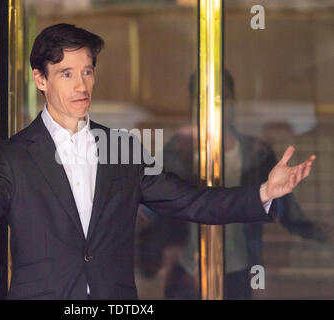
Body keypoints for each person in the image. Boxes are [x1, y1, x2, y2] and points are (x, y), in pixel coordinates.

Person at [0, 23, 316, 300]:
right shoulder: (12, 156)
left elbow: (192, 201)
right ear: (40, 79)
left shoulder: (124, 150)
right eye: (66, 73)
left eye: (87, 72)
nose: (81, 84)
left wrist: (264, 191)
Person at [137, 71, 328, 300]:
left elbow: (285, 208)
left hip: (239, 269)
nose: (213, 106)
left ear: (234, 102)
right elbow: (151, 208)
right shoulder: (175, 153)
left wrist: (318, 232)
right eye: (203, 98)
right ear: (191, 105)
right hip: (187, 270)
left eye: (222, 98)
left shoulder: (257, 153)